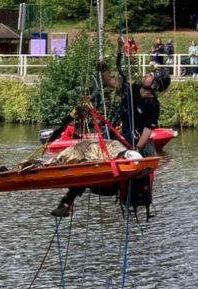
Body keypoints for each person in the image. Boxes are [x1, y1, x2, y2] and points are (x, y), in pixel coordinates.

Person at [50, 65, 170, 218]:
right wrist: (103, 68)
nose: (146, 75)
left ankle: (68, 200)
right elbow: (110, 82)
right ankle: (59, 178)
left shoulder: (152, 105)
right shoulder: (131, 90)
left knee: (94, 155)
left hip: (129, 143)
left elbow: (148, 130)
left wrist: (137, 148)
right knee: (83, 147)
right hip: (118, 138)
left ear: (154, 85)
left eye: (151, 75)